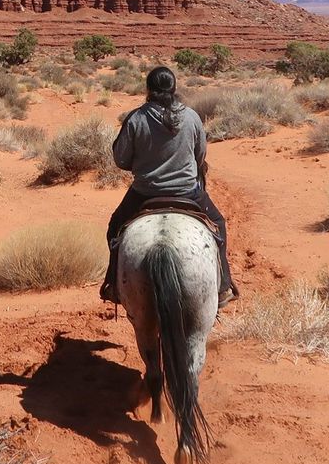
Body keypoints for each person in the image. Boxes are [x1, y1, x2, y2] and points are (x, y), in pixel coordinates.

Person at [99, 65, 237, 306]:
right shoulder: (192, 117)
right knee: (219, 224)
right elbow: (200, 156)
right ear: (174, 88)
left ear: (148, 89)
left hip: (144, 193)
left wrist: (143, 163)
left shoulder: (136, 118)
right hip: (188, 192)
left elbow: (120, 159)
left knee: (115, 227)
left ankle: (112, 284)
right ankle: (224, 284)